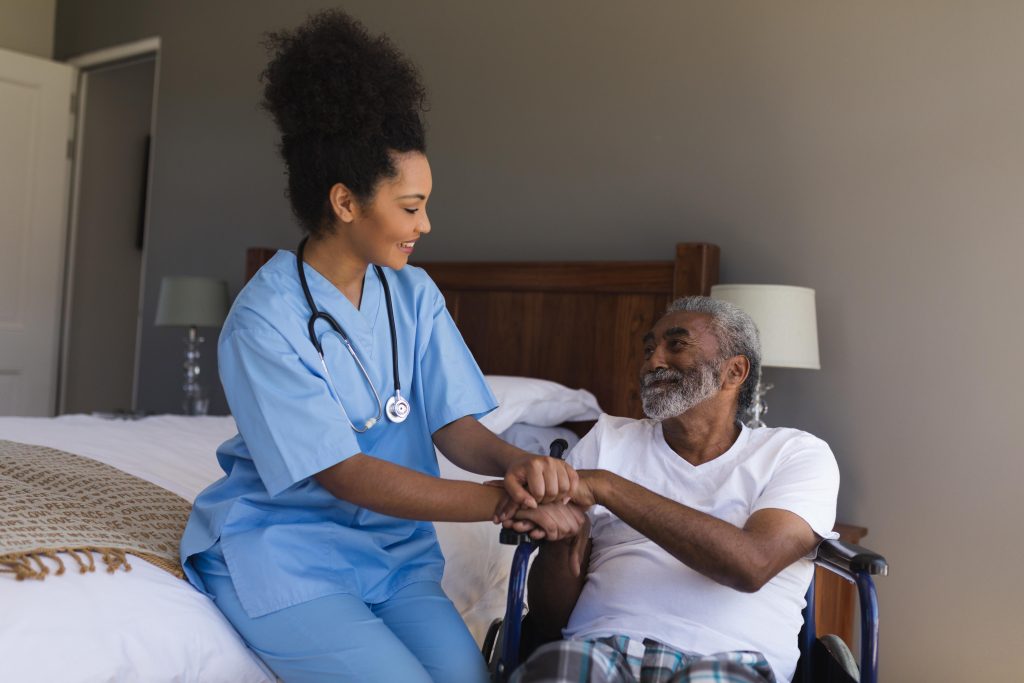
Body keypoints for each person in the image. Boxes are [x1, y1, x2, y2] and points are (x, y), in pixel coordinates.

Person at [178, 11, 578, 683]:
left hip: (395, 555)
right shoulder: (265, 319)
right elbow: (347, 473)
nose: (426, 223)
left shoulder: (412, 293)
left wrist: (520, 465)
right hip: (288, 555)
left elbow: (454, 424)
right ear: (344, 202)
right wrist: (501, 502)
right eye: (411, 205)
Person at [505, 296, 840, 683]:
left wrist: (608, 487)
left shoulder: (795, 453)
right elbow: (550, 621)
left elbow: (752, 565)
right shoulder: (608, 440)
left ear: (734, 372)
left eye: (676, 345)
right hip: (598, 647)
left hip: (730, 661)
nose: (653, 362)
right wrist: (562, 543)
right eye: (648, 349)